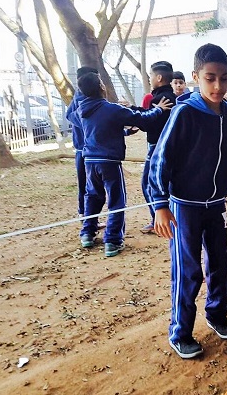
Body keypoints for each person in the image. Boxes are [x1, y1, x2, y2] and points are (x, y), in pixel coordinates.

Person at [149, 44, 227, 359]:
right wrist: (160, 206)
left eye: (224, 79)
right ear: (196, 77)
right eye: (210, 78)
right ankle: (180, 332)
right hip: (184, 207)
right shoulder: (184, 113)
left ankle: (216, 315)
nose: (218, 86)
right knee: (189, 270)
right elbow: (160, 161)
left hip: (216, 206)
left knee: (219, 264)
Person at [77, 72, 166, 257]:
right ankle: (113, 241)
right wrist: (158, 109)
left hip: (90, 161)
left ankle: (87, 233)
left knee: (92, 196)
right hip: (109, 161)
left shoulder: (81, 110)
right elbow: (142, 119)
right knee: (117, 201)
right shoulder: (111, 109)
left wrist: (124, 134)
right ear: (101, 87)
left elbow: (98, 131)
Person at [134, 61, 178, 234]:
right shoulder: (171, 97)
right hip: (168, 146)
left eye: (151, 75)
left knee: (149, 184)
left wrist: (131, 114)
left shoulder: (160, 99)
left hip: (156, 147)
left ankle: (158, 220)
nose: (150, 79)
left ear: (159, 77)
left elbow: (147, 122)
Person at [66, 66, 99, 219]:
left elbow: (69, 115)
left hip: (82, 150)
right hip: (87, 150)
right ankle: (87, 218)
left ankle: (84, 214)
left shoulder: (78, 98)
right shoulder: (85, 100)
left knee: (85, 185)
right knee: (91, 188)